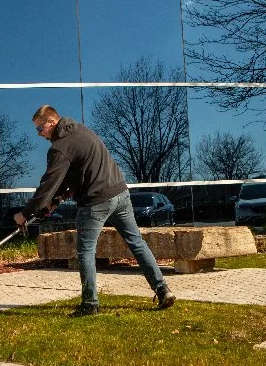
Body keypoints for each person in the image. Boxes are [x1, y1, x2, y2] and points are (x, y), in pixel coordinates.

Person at [14, 105, 175, 316]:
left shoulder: (60, 147)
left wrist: (25, 213)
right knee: (137, 243)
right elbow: (75, 176)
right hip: (120, 194)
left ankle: (90, 304)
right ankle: (163, 289)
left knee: (85, 252)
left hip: (96, 202)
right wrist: (54, 203)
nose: (39, 133)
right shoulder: (80, 130)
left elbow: (48, 184)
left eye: (40, 128)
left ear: (52, 122)